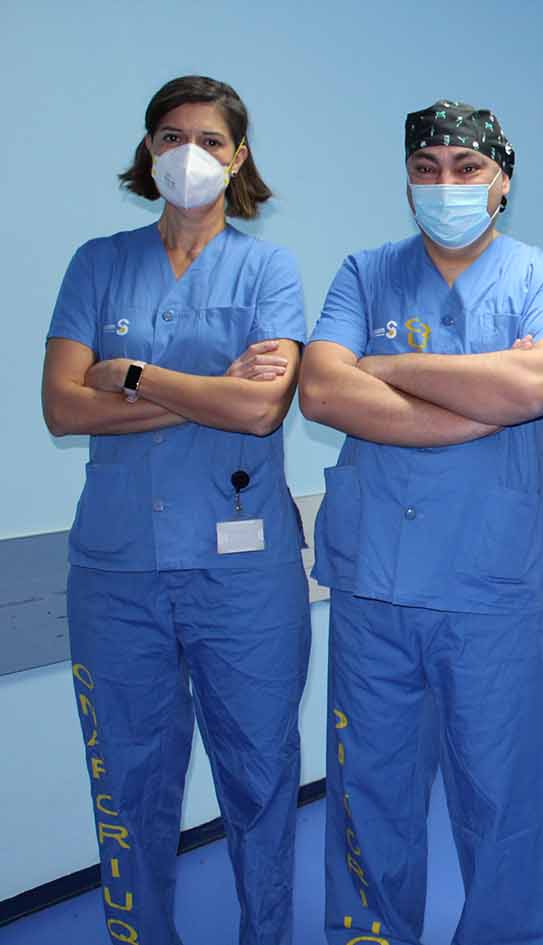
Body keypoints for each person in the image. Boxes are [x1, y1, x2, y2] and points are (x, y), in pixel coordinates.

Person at [298, 100, 543, 945]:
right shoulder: (364, 271)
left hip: (489, 587)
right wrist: (470, 395)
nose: (446, 184)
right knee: (367, 793)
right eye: (427, 169)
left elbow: (533, 389)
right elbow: (318, 390)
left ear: (502, 180)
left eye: (466, 168)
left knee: (501, 799)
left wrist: (384, 368)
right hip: (374, 583)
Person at [41, 75, 310, 945]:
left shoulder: (268, 269)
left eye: (206, 139)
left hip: (245, 576)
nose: (185, 153)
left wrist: (132, 375)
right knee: (127, 786)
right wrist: (209, 389)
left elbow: (263, 409)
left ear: (238, 159)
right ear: (146, 151)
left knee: (259, 776)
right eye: (167, 136)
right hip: (116, 573)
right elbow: (62, 407)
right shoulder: (97, 262)